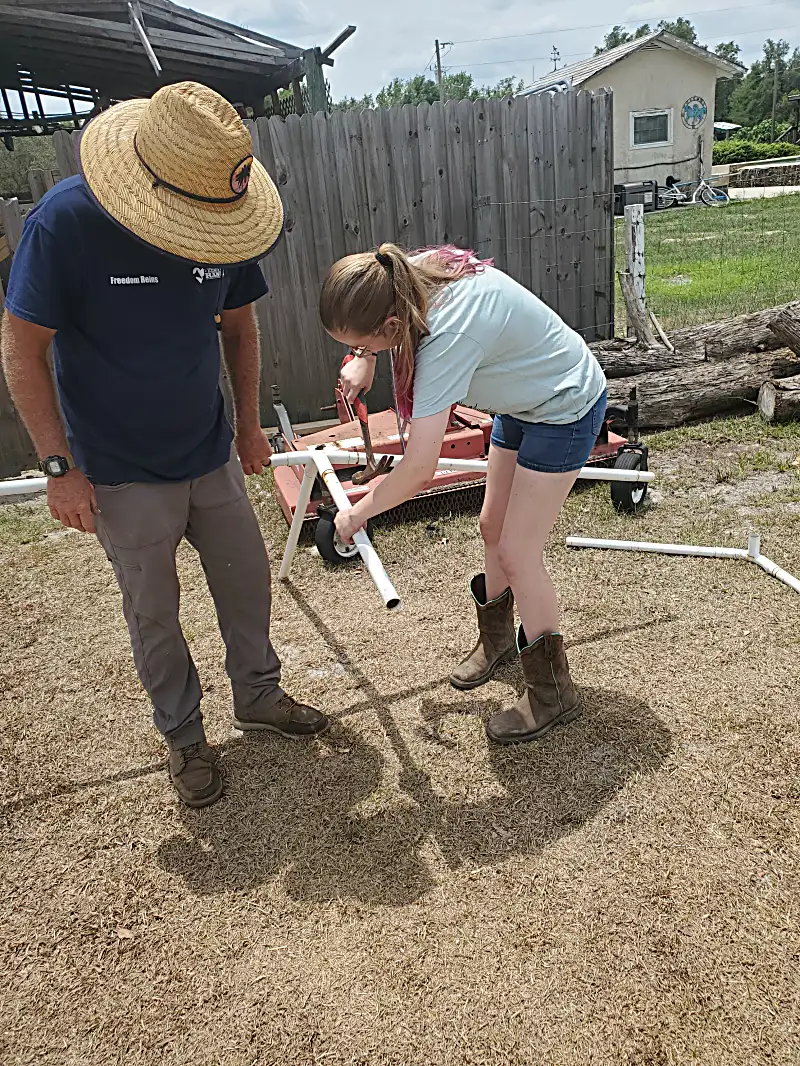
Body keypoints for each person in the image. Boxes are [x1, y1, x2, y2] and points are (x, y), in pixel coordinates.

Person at [1, 82, 329, 808]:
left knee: (246, 581)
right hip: (118, 470)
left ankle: (258, 696)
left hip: (208, 449)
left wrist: (246, 425)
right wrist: (60, 468)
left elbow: (239, 328)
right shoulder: (67, 223)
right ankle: (184, 739)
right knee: (153, 612)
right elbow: (22, 352)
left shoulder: (226, 213)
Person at [319, 244, 607, 745]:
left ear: (391, 327)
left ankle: (553, 691)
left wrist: (358, 514)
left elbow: (418, 468)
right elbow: (383, 327)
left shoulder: (447, 337)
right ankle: (497, 641)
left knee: (518, 552)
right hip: (521, 401)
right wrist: (364, 357)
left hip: (564, 402)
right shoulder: (403, 273)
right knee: (490, 528)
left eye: (366, 343)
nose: (363, 352)